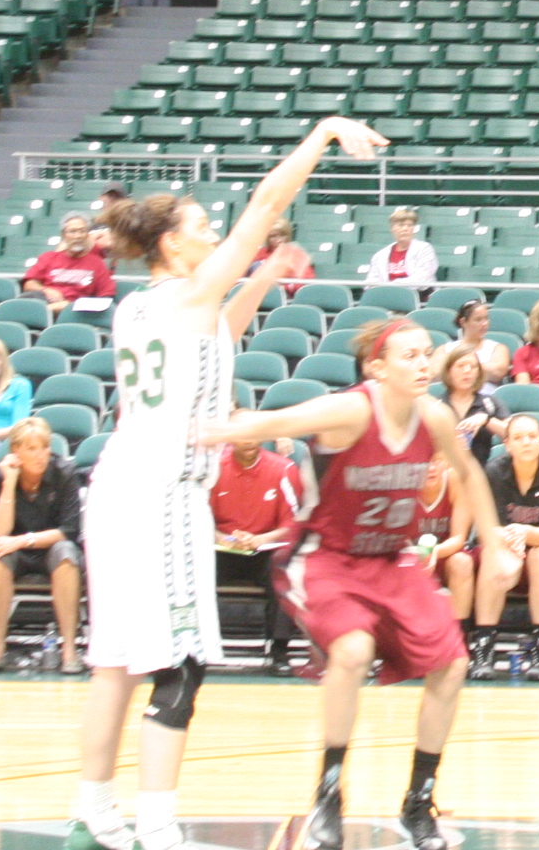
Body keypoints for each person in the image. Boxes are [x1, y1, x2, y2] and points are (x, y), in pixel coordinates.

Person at [67, 115, 381, 850]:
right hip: (162, 494)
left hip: (114, 488)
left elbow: (221, 332)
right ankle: (157, 822)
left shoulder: (146, 306)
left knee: (113, 662)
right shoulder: (184, 294)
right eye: (204, 226)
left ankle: (94, 808)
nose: (216, 234)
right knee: (179, 668)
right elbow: (268, 203)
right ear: (173, 243)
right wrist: (325, 134)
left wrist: (268, 275)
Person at [205, 317, 503, 850]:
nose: (420, 363)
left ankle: (418, 800)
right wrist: (214, 430)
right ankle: (328, 794)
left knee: (453, 663)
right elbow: (280, 420)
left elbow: (471, 474)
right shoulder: (351, 410)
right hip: (327, 558)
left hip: (392, 559)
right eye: (408, 355)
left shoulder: (433, 417)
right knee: (353, 650)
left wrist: (498, 543)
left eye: (425, 354)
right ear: (377, 366)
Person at [0, 415, 84, 673]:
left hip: (49, 546)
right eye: (32, 449)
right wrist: (9, 482)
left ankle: (69, 650)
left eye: (45, 447)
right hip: (12, 549)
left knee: (67, 554)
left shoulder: (64, 473)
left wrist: (21, 540)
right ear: (16, 451)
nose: (41, 455)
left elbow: (69, 531)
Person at [472, 412, 539, 680]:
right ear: (508, 445)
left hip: (537, 544)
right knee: (494, 555)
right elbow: (489, 526)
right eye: (518, 438)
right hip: (503, 542)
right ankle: (484, 651)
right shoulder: (494, 471)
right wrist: (510, 542)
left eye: (531, 437)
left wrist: (525, 532)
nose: (526, 442)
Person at [210, 431, 302, 672]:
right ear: (231, 439)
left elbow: (294, 524)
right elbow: (199, 519)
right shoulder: (214, 469)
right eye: (242, 435)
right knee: (190, 567)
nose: (248, 440)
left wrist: (260, 539)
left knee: (284, 571)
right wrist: (225, 538)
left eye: (253, 435)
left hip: (265, 548)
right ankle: (192, 651)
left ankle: (279, 651)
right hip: (223, 548)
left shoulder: (283, 469)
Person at [415, 458, 477, 634]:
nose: (431, 468)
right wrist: (416, 556)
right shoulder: (402, 485)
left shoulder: (456, 481)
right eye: (425, 462)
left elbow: (458, 538)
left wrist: (434, 552)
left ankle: (459, 635)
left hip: (444, 553)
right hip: (409, 556)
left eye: (436, 461)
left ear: (447, 463)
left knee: (462, 563)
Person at [22, 215, 116, 320]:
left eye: (82, 231)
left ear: (87, 236)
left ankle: (35, 312)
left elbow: (106, 295)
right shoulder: (49, 257)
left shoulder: (97, 263)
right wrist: (46, 290)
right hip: (42, 299)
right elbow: (29, 284)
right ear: (64, 235)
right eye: (72, 231)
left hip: (73, 311)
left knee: (63, 305)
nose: (78, 236)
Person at [433, 341, 504, 466]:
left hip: (481, 474)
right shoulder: (436, 405)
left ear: (478, 373)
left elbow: (512, 433)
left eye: (473, 366)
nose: (467, 371)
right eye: (461, 366)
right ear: (449, 371)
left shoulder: (489, 403)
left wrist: (487, 420)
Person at [361, 207, 437, 294]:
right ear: (392, 228)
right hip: (386, 295)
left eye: (409, 225)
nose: (405, 229)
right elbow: (371, 281)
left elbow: (423, 278)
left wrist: (392, 286)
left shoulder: (424, 249)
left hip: (416, 295)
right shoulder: (380, 255)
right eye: (401, 225)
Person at [251, 222, 315, 301]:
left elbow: (306, 281)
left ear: (288, 236)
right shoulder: (260, 254)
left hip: (286, 297)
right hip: (257, 295)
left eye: (282, 235)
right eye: (273, 236)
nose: (279, 240)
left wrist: (284, 287)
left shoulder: (297, 254)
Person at [456, 300, 512, 385]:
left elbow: (498, 371)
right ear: (463, 322)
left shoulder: (498, 348)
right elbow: (434, 372)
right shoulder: (445, 348)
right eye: (478, 320)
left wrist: (457, 367)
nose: (485, 323)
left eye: (486, 318)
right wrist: (481, 369)